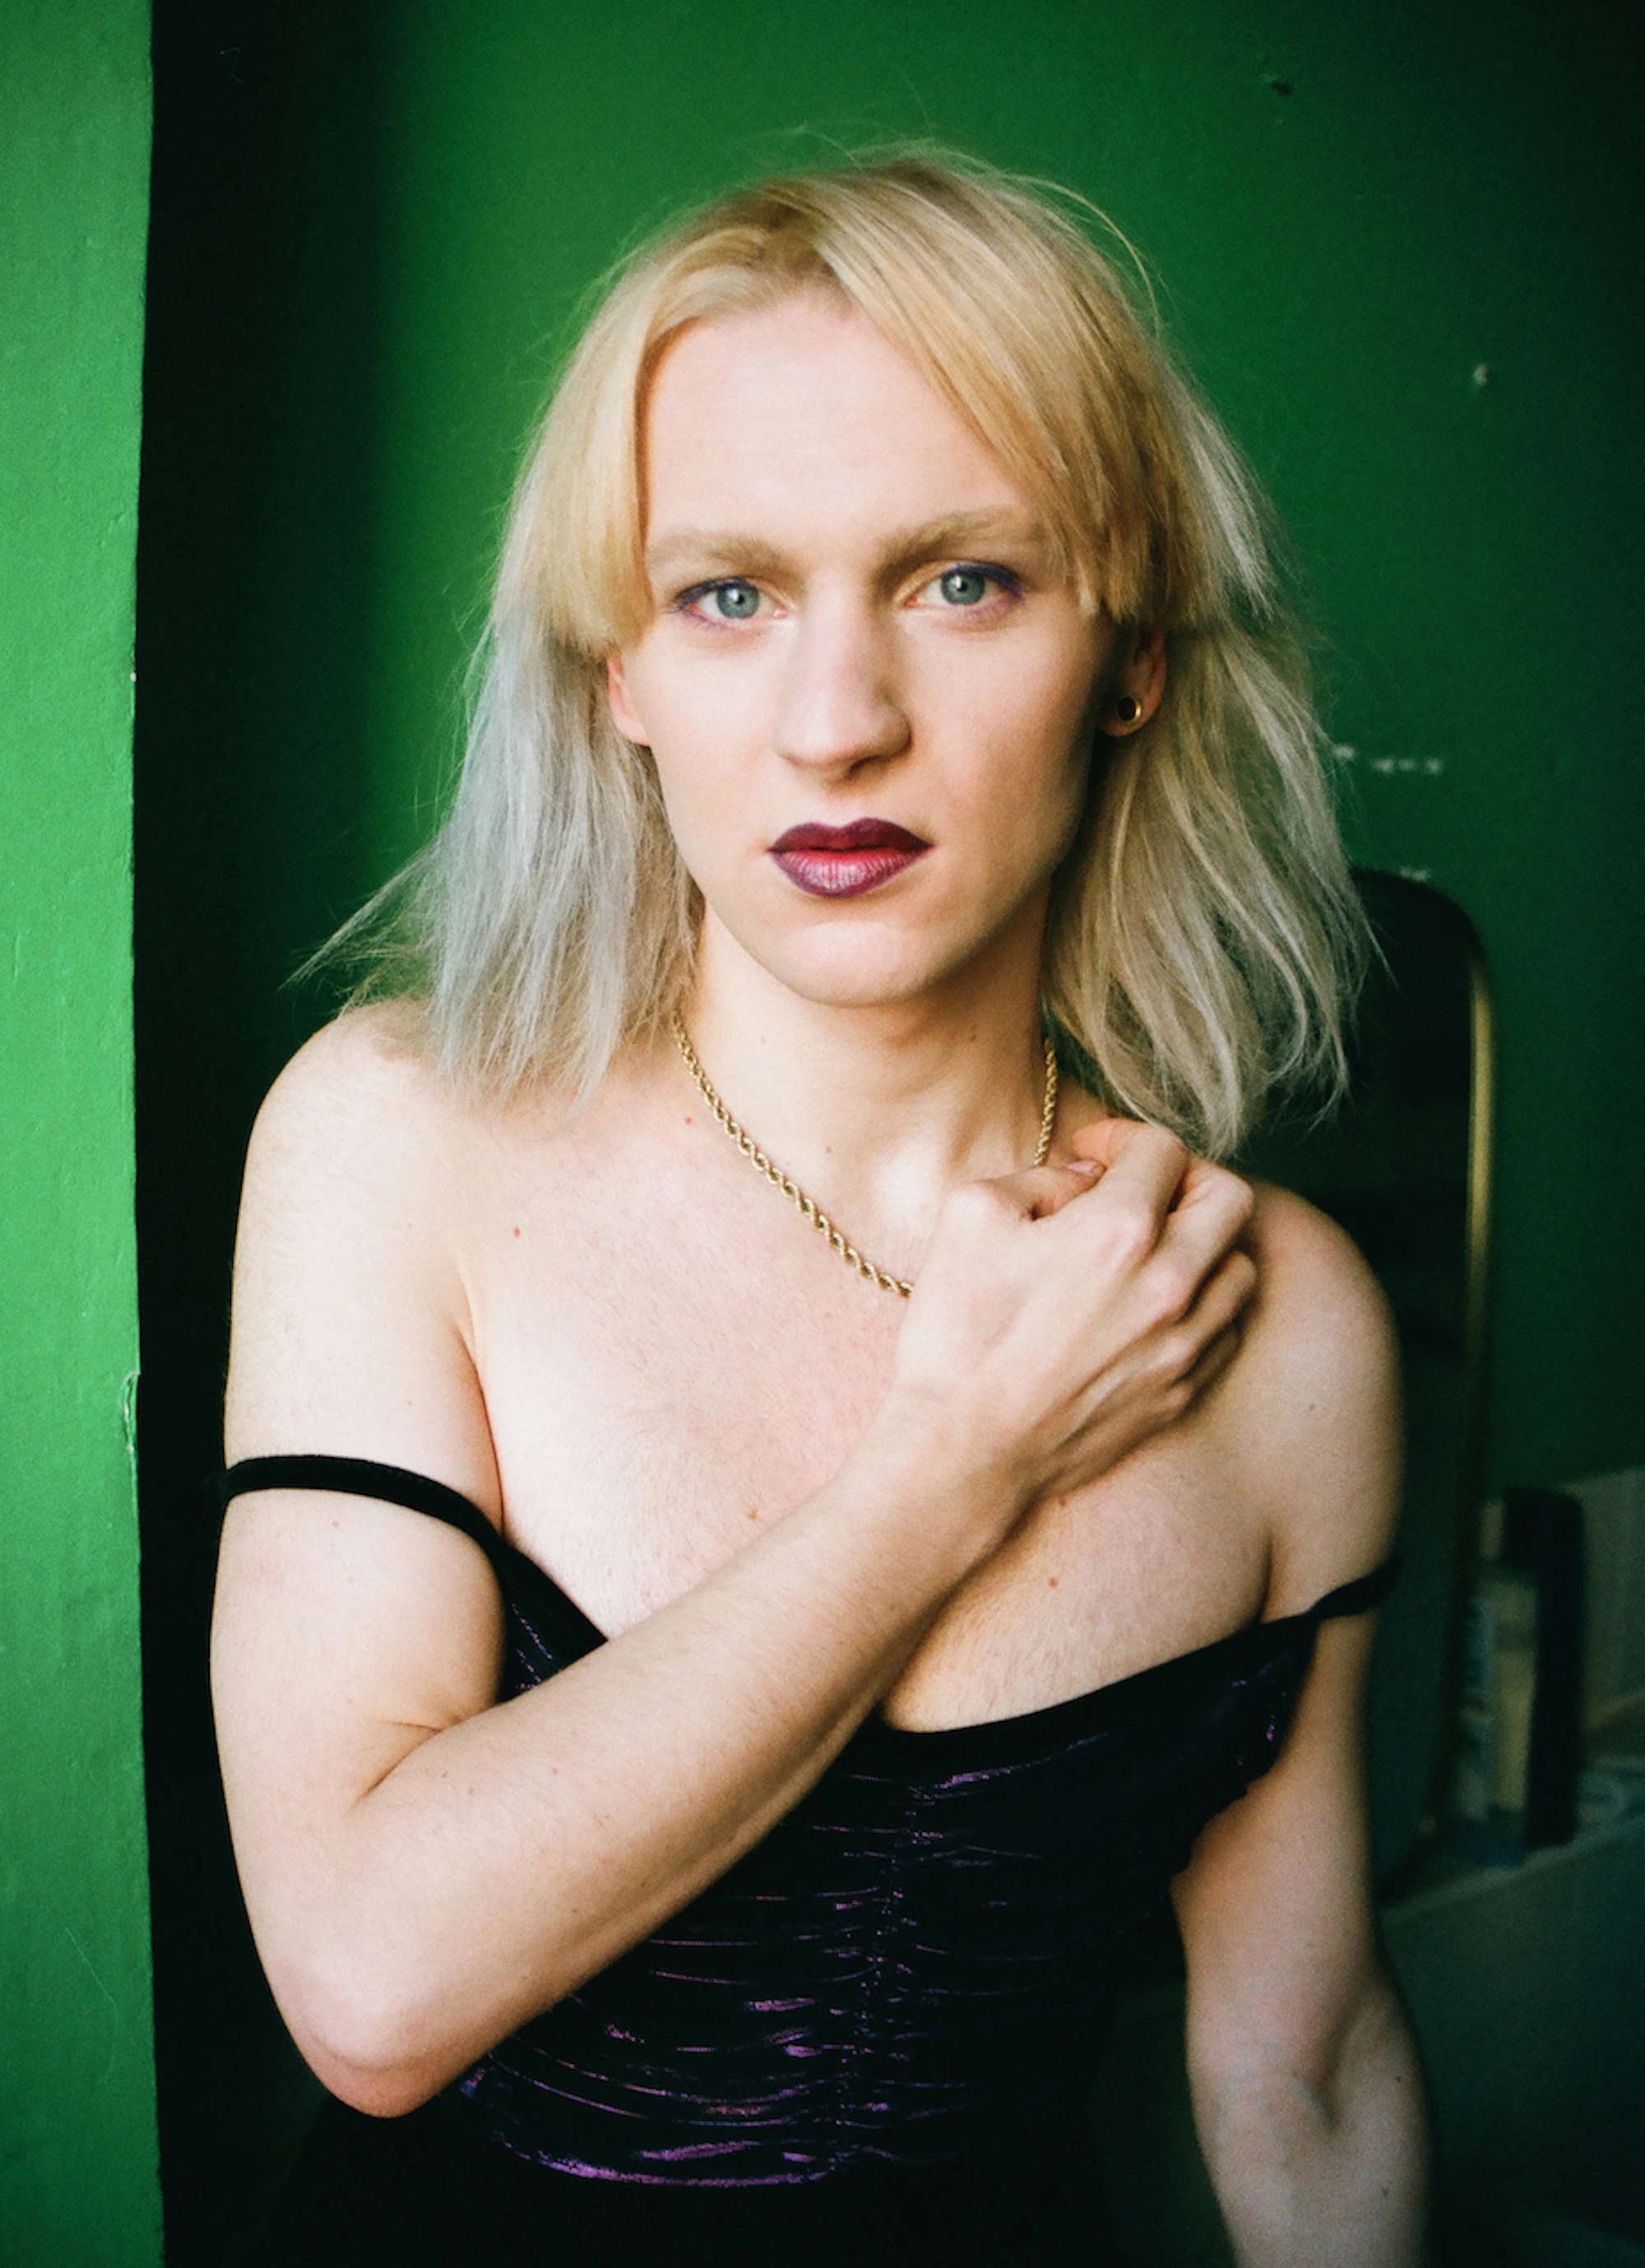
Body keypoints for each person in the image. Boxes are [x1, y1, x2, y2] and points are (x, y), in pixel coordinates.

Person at [212, 154, 1429, 2265]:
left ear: (1128, 656)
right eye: (729, 594)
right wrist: (953, 1465)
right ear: (618, 671)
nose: (837, 721)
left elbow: (1299, 2066)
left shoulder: (1283, 1323)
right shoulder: (395, 1144)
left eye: (963, 580)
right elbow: (372, 1988)